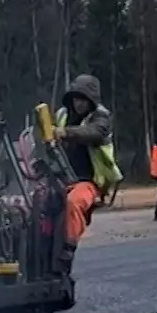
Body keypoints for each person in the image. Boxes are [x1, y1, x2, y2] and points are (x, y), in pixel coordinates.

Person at [52, 73, 122, 274]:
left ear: (91, 101)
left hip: (90, 181)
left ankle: (68, 249)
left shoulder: (101, 118)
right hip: (62, 177)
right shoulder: (62, 115)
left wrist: (65, 133)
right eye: (76, 98)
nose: (79, 103)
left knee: (74, 203)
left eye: (83, 99)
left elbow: (94, 134)